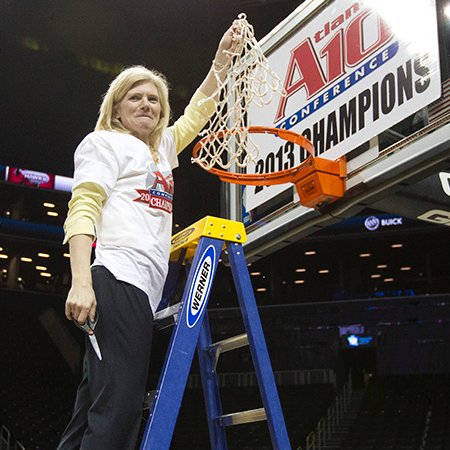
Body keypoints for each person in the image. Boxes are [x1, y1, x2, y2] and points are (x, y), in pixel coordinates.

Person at [58, 21, 242, 450]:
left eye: (154, 100)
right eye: (135, 97)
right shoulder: (103, 144)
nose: (147, 104)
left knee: (94, 407)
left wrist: (221, 61)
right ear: (116, 108)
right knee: (118, 411)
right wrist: (81, 283)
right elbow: (81, 209)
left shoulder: (159, 151)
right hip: (115, 281)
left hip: (140, 290)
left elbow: (198, 110)